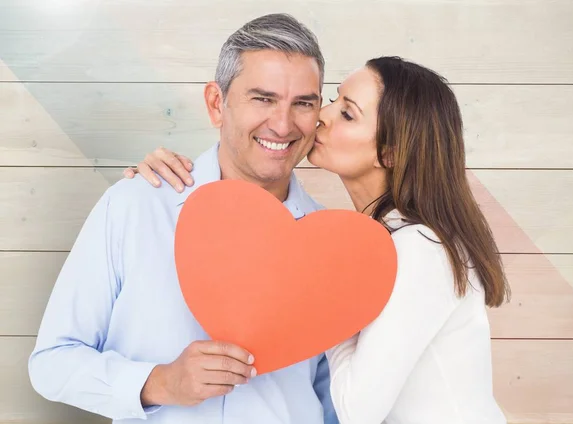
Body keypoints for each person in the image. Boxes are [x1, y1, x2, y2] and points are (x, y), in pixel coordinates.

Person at [127, 56, 512, 424]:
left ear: (390, 152)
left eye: (347, 113)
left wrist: (329, 304)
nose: (320, 118)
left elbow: (354, 410)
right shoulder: (393, 239)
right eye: (332, 100)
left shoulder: (419, 249)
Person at [28, 13, 338, 424]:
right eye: (262, 98)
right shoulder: (135, 205)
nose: (282, 125)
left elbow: (333, 399)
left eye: (303, 103)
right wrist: (159, 383)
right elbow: (52, 363)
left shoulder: (331, 245)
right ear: (216, 103)